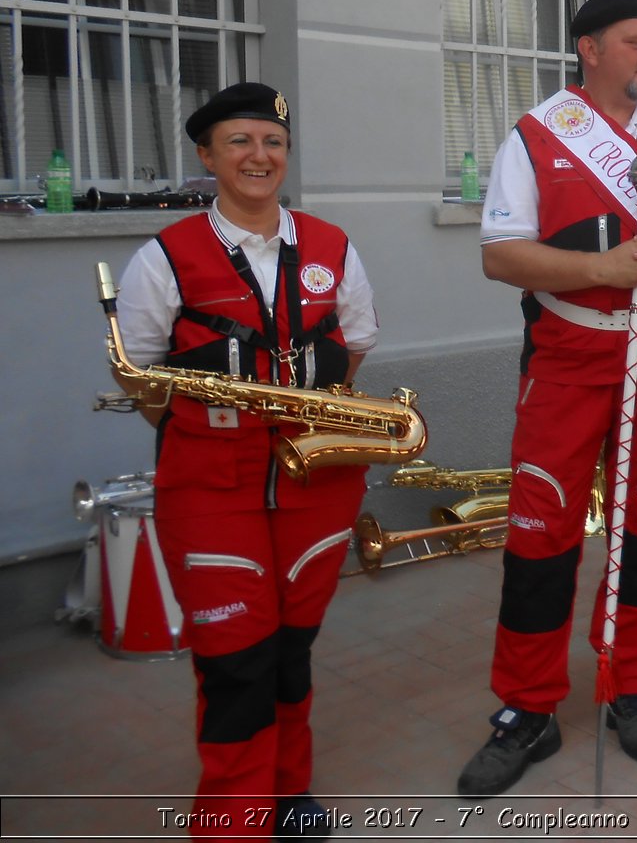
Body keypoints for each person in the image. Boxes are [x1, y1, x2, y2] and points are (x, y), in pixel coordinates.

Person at [458, 0, 637, 797]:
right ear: (589, 48)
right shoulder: (540, 133)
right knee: (541, 534)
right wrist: (600, 270)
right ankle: (527, 708)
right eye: (633, 41)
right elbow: (501, 254)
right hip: (569, 359)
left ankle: (628, 684)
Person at [113, 82, 379, 841]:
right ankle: (234, 818)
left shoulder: (332, 247)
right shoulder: (161, 258)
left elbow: (354, 346)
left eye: (272, 143)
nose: (258, 157)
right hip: (208, 487)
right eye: (239, 142)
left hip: (315, 483)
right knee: (235, 659)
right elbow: (141, 380)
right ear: (208, 155)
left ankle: (288, 790)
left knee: (291, 650)